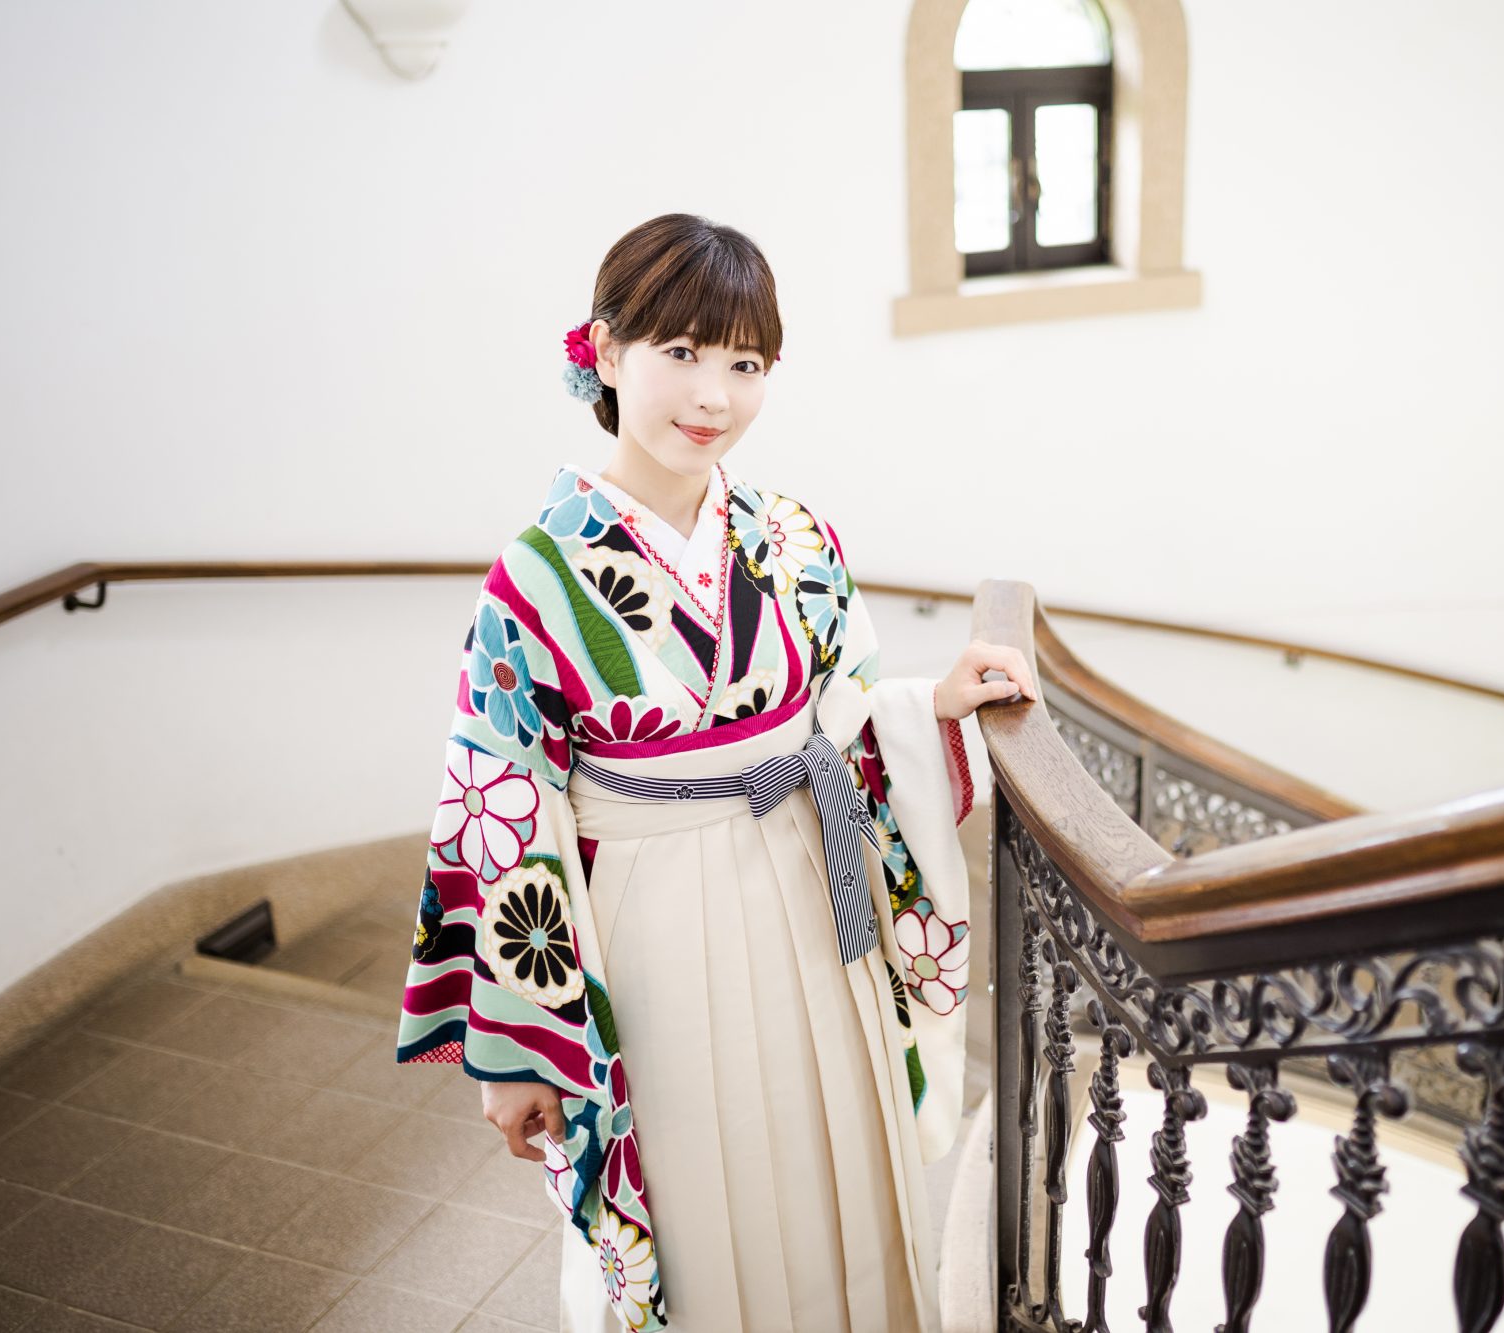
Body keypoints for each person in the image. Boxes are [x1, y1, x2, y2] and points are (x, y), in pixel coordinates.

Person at [393, 213, 1036, 1332]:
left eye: (745, 364)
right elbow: (498, 812)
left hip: (811, 892)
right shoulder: (534, 578)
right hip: (649, 924)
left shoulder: (795, 536)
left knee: (836, 1163)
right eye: (682, 352)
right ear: (606, 351)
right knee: (695, 1197)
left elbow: (834, 715)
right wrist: (518, 1046)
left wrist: (930, 708)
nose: (713, 396)